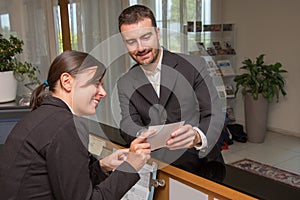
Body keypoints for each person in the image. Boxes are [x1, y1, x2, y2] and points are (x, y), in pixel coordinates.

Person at [0, 50, 154, 200]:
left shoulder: (43, 115)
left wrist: (102, 166)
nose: (103, 92)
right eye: (96, 83)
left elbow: (68, 183)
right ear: (67, 82)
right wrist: (130, 167)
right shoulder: (66, 125)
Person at [117, 5, 225, 180]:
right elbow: (127, 122)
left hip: (201, 166)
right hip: (155, 168)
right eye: (131, 42)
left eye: (146, 37)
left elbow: (214, 113)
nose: (140, 47)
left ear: (157, 33)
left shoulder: (195, 65)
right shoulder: (125, 82)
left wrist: (197, 136)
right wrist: (140, 134)